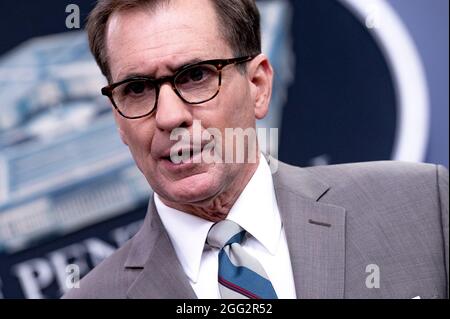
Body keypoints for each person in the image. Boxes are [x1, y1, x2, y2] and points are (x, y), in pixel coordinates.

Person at [63, 0, 449, 299]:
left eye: (196, 76)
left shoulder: (422, 204)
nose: (168, 116)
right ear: (117, 118)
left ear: (258, 86)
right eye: (137, 89)